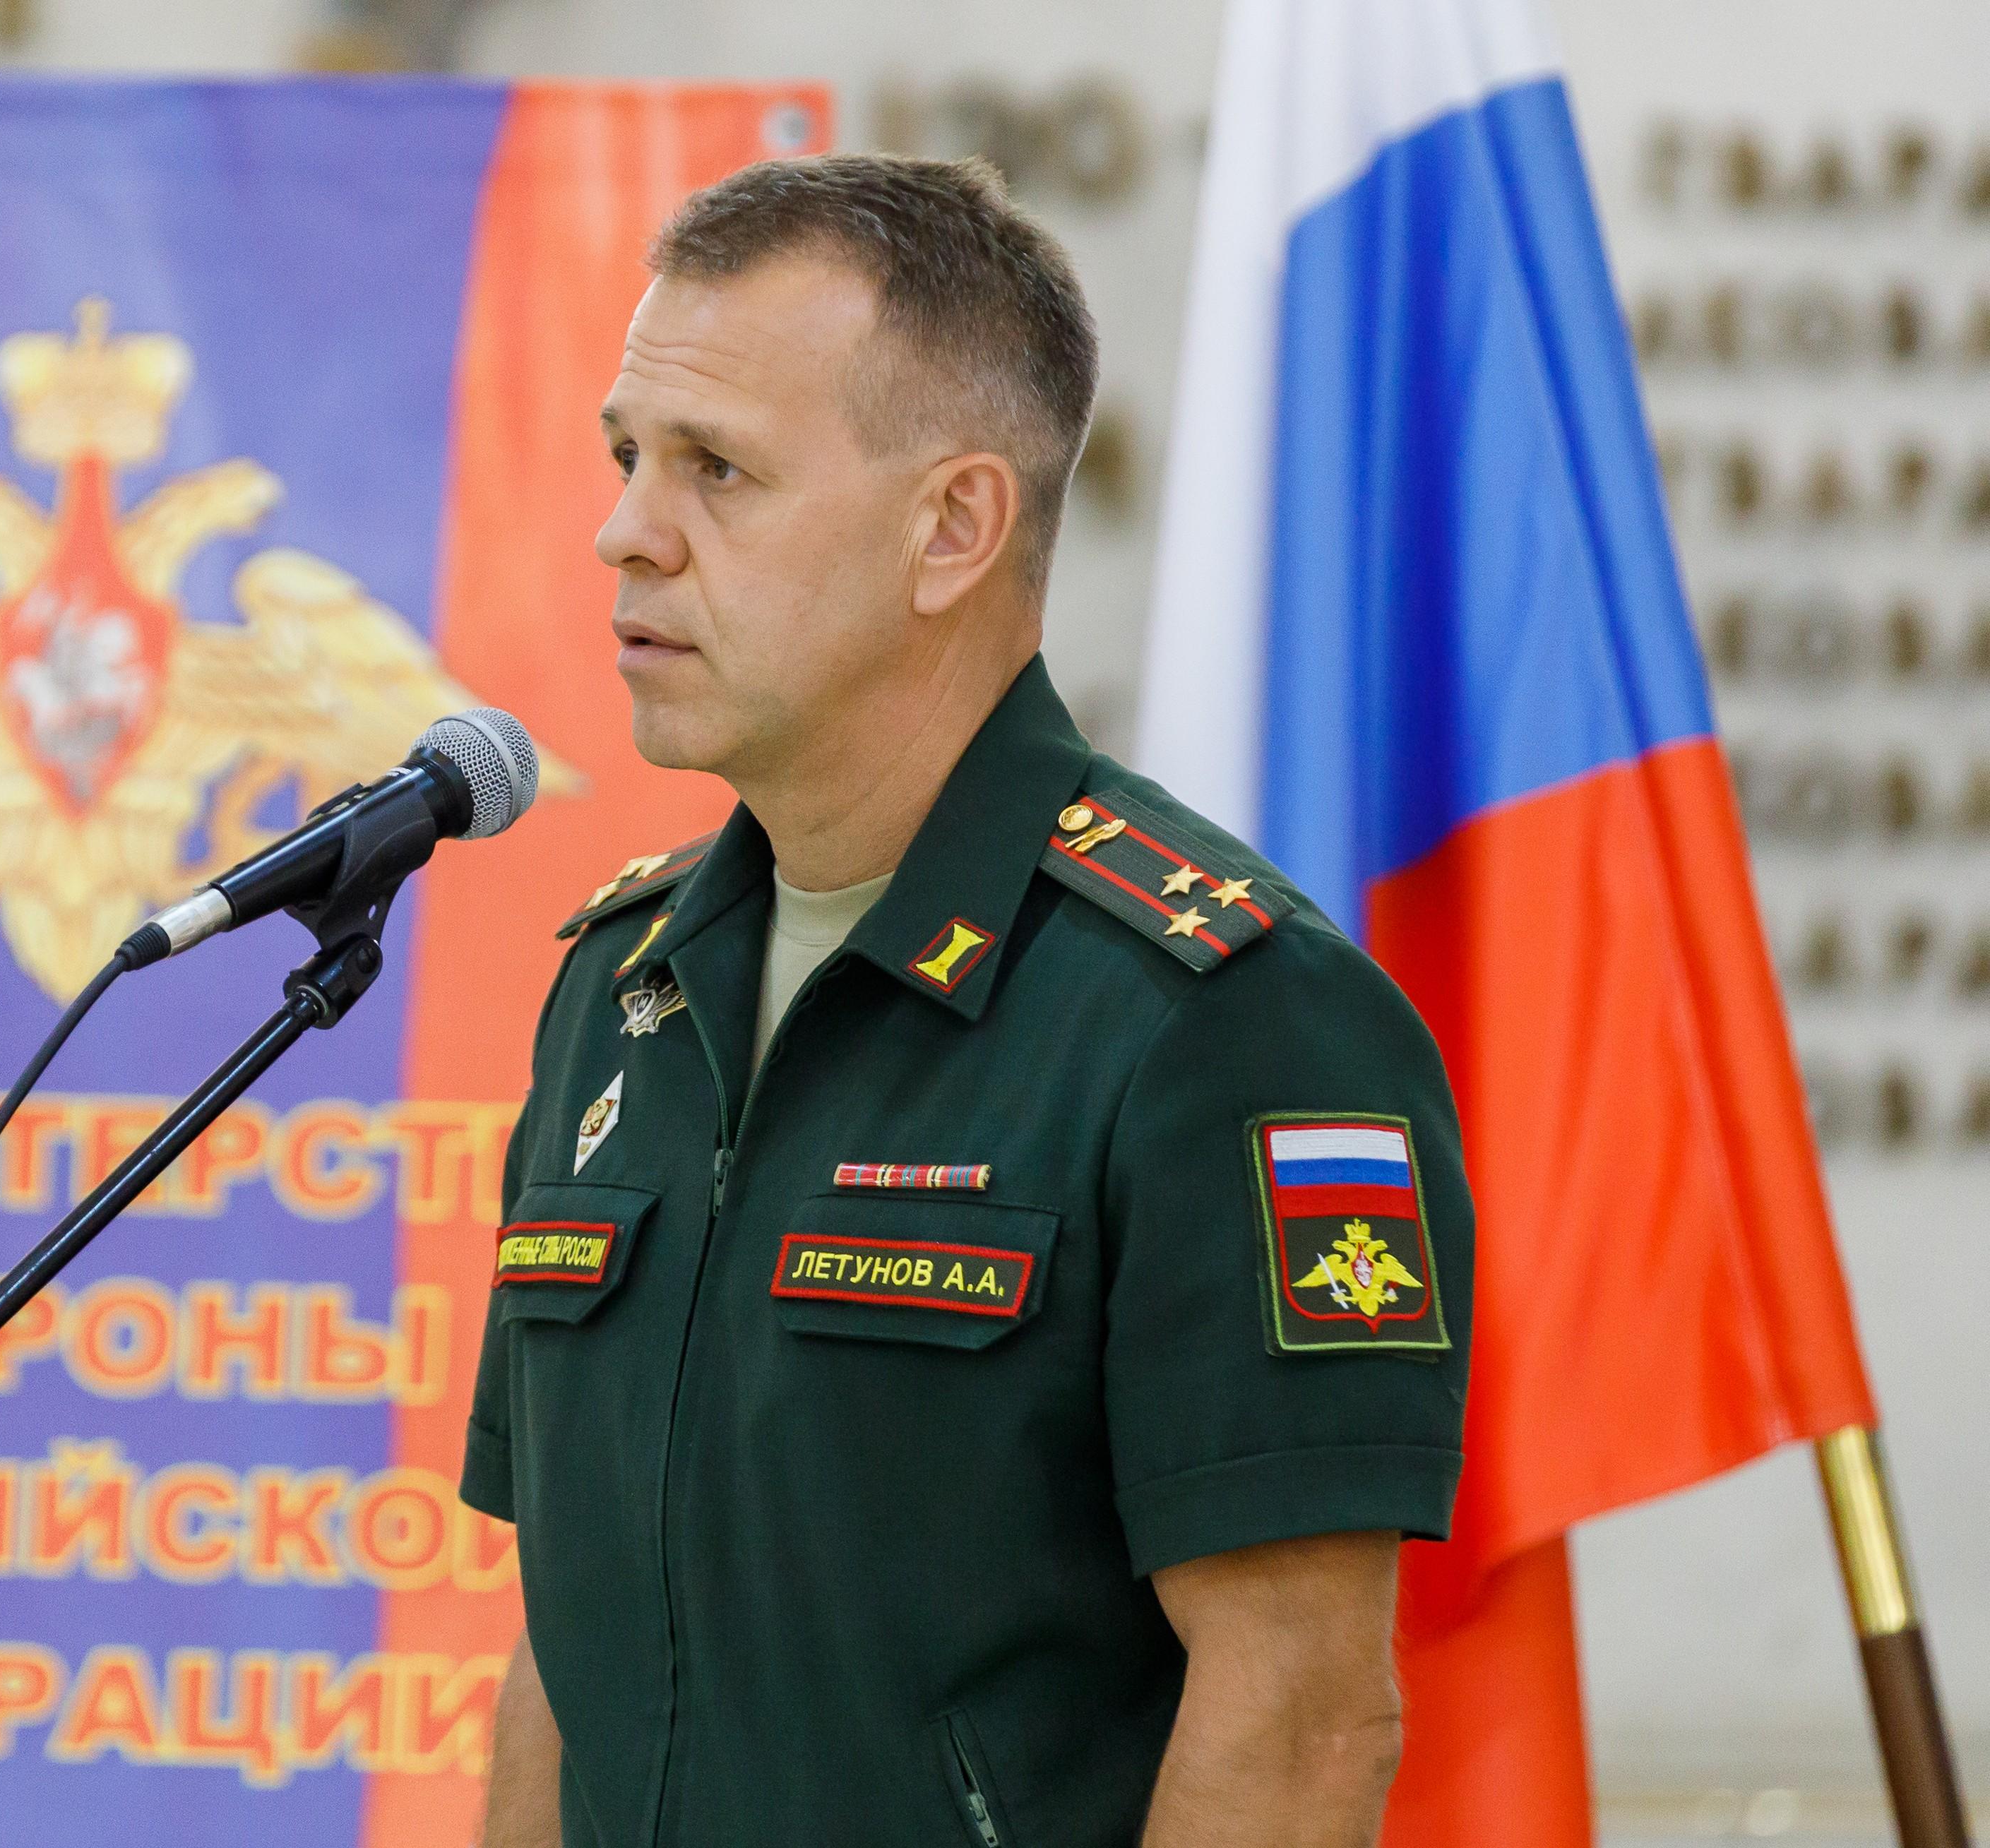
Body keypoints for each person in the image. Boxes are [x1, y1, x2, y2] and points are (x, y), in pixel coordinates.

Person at [460, 153, 1474, 1848]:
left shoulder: (1221, 1021)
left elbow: (1299, 1720)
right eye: (629, 455)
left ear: (951, 529)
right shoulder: (624, 990)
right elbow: (568, 1655)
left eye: (717, 468)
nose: (625, 528)